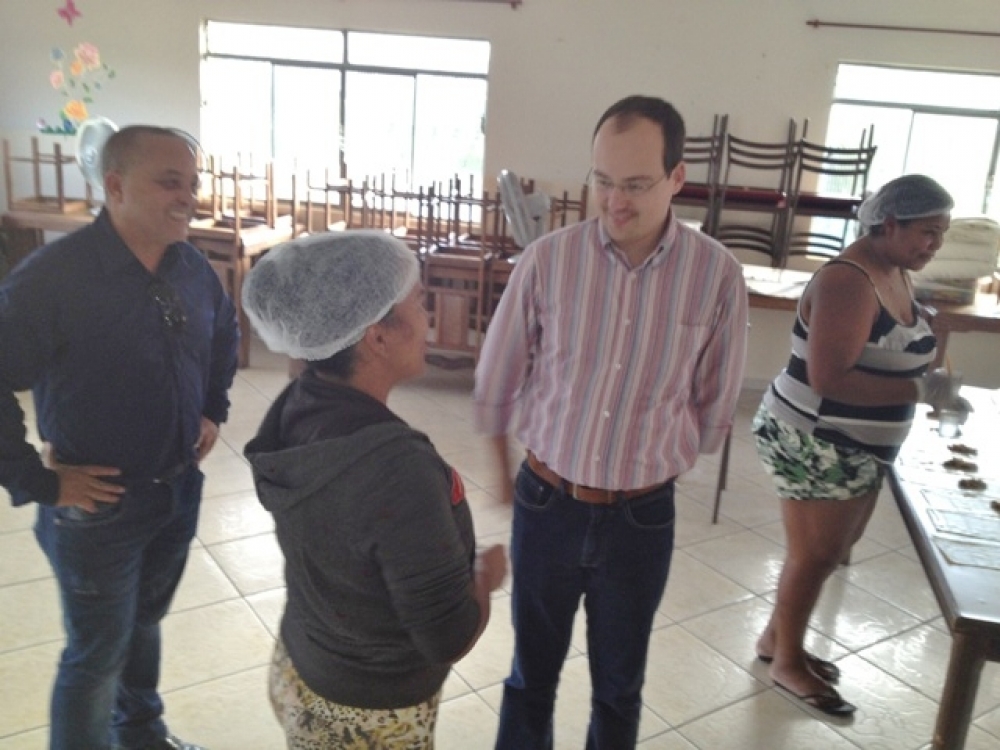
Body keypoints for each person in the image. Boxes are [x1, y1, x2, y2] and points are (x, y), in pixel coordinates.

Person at [473, 95, 750, 749]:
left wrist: (655, 456)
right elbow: (498, 376)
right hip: (548, 502)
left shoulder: (715, 274)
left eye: (635, 185)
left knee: (619, 688)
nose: (614, 202)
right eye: (603, 181)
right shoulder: (549, 260)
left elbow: (716, 399)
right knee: (530, 677)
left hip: (641, 519)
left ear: (677, 178)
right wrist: (502, 473)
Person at [0, 126, 240, 749]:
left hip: (176, 490)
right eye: (169, 182)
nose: (188, 197)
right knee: (97, 655)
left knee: (143, 623)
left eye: (192, 184)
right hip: (99, 506)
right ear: (115, 185)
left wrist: (211, 409)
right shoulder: (53, 278)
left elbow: (224, 334)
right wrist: (36, 481)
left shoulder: (191, 267)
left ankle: (140, 734)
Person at [241, 230, 508, 749]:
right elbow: (447, 636)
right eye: (420, 304)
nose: (429, 319)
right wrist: (485, 581)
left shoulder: (296, 403)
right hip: (369, 714)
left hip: (302, 664)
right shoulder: (397, 470)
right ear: (377, 337)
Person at [751, 174, 964, 716]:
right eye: (928, 232)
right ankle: (786, 662)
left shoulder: (895, 269)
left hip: (858, 444)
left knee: (830, 550)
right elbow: (829, 378)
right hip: (816, 437)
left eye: (942, 233)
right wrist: (922, 390)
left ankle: (778, 640)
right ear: (889, 224)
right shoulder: (848, 280)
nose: (935, 245)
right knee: (815, 554)